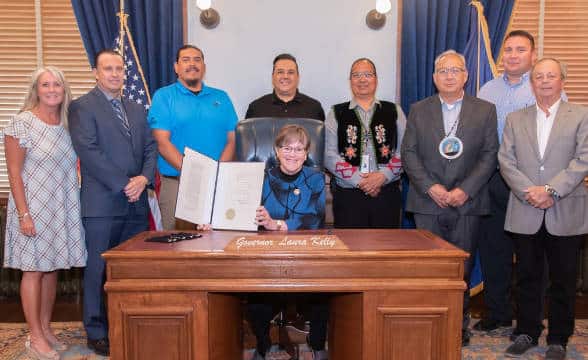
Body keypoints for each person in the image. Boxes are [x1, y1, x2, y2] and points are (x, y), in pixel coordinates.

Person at [401, 50, 498, 346]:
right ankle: (428, 324)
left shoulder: (485, 110)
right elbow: (408, 153)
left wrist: (464, 190)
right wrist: (432, 187)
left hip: (467, 203)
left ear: (466, 75)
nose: (449, 75)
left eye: (455, 70)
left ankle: (458, 326)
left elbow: (489, 154)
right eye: (443, 70)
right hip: (427, 202)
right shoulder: (419, 109)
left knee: (461, 271)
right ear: (434, 78)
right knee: (427, 270)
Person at [69, 49, 157, 356]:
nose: (115, 74)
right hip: (102, 205)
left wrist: (143, 180)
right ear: (95, 71)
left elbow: (150, 149)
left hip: (135, 204)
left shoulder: (136, 108)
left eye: (119, 68)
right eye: (108, 68)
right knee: (98, 270)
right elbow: (89, 152)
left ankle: (128, 322)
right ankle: (96, 331)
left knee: (131, 269)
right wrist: (124, 184)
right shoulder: (81, 107)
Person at [499, 58, 588, 360]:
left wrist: (550, 190)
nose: (545, 81)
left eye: (552, 76)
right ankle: (526, 331)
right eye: (539, 77)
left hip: (565, 210)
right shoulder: (515, 118)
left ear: (563, 80)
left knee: (563, 279)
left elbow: (583, 160)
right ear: (531, 82)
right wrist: (532, 193)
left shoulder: (581, 115)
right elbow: (506, 161)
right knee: (526, 277)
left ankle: (559, 338)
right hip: (526, 210)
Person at [2, 66, 86, 360]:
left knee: (52, 270)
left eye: (57, 85)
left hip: (60, 206)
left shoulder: (67, 125)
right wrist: (24, 214)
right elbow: (13, 173)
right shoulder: (21, 124)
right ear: (36, 90)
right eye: (46, 85)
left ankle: (46, 329)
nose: (52, 90)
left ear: (65, 91)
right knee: (34, 270)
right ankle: (35, 336)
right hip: (32, 209)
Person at [475, 30, 537, 333]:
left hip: (530, 180)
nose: (513, 55)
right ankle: (497, 312)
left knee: (528, 252)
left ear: (533, 55)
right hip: (493, 178)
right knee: (493, 249)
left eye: (520, 49)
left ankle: (527, 320)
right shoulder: (487, 89)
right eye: (508, 49)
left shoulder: (543, 87)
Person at [250, 125, 327, 360]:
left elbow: (315, 218)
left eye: (299, 149)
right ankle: (263, 346)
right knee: (256, 300)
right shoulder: (260, 178)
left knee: (322, 296)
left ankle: (317, 346)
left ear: (306, 153)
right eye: (287, 148)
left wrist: (279, 225)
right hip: (267, 254)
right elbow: (241, 211)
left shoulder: (315, 178)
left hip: (305, 253)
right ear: (276, 150)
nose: (292, 154)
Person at [148, 44, 238, 230]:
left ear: (204, 66)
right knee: (177, 247)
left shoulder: (222, 97)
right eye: (186, 60)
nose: (192, 64)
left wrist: (216, 175)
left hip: (216, 185)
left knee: (218, 242)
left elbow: (232, 140)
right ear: (176, 67)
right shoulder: (164, 97)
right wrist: (195, 174)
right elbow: (162, 143)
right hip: (178, 184)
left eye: (197, 60)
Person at [325, 58, 406, 228]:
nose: (362, 80)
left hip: (386, 193)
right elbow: (328, 154)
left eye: (368, 74)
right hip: (348, 195)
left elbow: (404, 151)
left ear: (376, 79)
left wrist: (382, 176)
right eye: (356, 75)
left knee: (385, 249)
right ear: (350, 80)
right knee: (350, 250)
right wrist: (360, 180)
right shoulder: (336, 112)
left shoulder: (394, 110)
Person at [245, 53, 325, 120]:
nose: (285, 76)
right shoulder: (256, 108)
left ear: (298, 77)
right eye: (280, 72)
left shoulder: (314, 108)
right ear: (273, 77)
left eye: (291, 72)